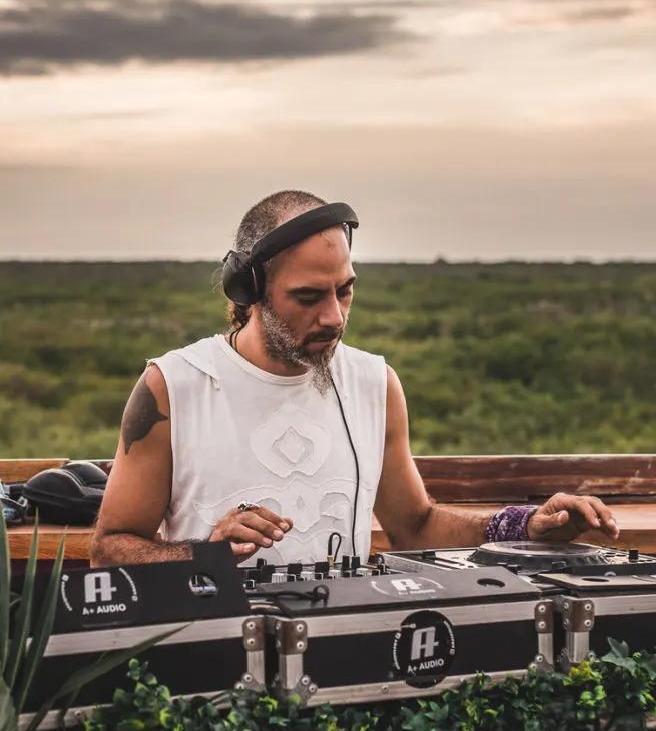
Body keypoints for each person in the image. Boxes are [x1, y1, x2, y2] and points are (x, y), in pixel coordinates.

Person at [89, 190, 619, 568]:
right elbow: (109, 547)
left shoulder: (375, 383)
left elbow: (414, 526)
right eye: (308, 296)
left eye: (344, 290)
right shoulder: (173, 387)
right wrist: (203, 555)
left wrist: (524, 527)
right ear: (250, 291)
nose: (335, 317)